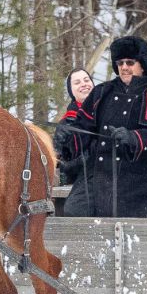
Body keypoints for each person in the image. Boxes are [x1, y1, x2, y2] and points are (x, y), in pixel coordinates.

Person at [71, 35, 147, 218]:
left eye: (130, 62)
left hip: (140, 182)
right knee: (74, 210)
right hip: (99, 177)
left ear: (142, 63)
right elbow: (82, 129)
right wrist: (67, 138)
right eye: (120, 63)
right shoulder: (102, 92)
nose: (124, 67)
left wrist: (134, 138)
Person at [54, 67, 95, 216]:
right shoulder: (66, 124)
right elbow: (63, 163)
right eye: (77, 82)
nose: (84, 84)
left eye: (86, 80)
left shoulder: (109, 111)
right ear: (72, 91)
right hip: (82, 180)